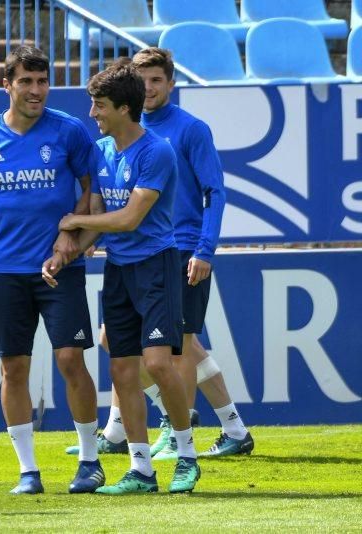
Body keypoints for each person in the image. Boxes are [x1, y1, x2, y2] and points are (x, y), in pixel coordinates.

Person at [67, 48, 253, 461]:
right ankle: (230, 427)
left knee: (178, 348)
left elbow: (215, 192)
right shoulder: (117, 138)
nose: (149, 88)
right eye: (143, 80)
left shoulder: (189, 130)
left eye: (157, 80)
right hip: (137, 253)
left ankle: (174, 429)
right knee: (121, 343)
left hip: (180, 249)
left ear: (171, 83)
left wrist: (205, 249)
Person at [43, 58, 200, 494]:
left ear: (124, 108)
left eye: (99, 106)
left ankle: (186, 454)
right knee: (122, 372)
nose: (92, 114)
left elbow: (130, 218)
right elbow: (99, 222)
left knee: (156, 363)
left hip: (156, 266)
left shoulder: (157, 151)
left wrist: (73, 222)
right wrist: (66, 251)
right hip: (118, 269)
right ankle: (141, 470)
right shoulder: (103, 151)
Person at [0, 45, 104, 495]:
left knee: (70, 359)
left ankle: (90, 463)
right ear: (8, 85)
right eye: (26, 81)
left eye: (42, 81)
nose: (36, 90)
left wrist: (72, 234)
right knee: (13, 368)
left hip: (59, 270)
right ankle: (28, 471)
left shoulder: (70, 131)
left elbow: (91, 189)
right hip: (5, 271)